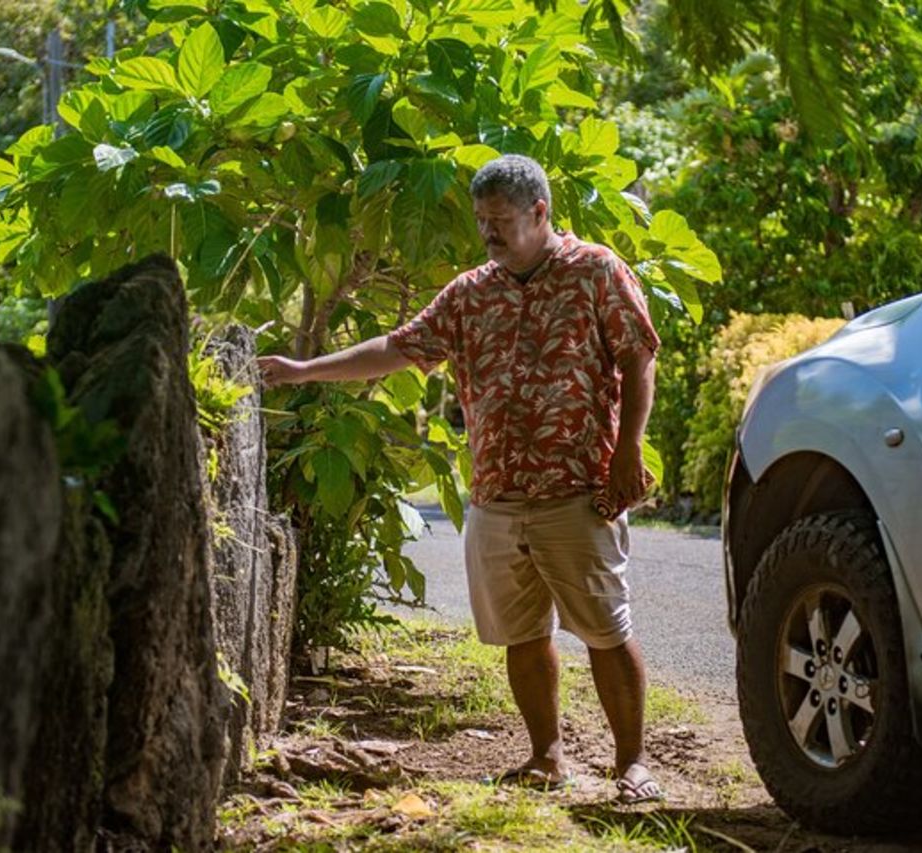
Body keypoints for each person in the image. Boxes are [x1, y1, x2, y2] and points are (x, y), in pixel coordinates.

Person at [258, 154, 664, 804]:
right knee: (522, 633)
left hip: (579, 487)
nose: (488, 235)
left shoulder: (595, 271)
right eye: (481, 222)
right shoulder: (472, 291)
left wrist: (628, 447)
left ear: (540, 212)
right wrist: (303, 371)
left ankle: (634, 764)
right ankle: (545, 756)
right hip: (497, 496)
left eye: (500, 221)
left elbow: (637, 355)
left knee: (605, 629)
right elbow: (396, 348)